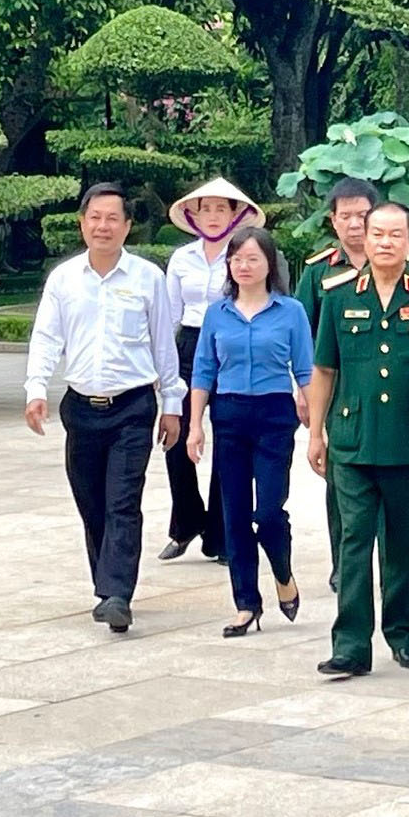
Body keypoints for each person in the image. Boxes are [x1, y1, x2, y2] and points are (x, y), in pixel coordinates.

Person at [306, 202, 409, 679]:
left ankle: (404, 633)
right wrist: (315, 432)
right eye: (377, 234)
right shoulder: (337, 295)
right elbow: (324, 368)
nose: (385, 242)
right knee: (354, 541)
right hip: (352, 441)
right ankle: (351, 644)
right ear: (364, 240)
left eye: (396, 234)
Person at [24, 182, 185, 634]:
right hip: (81, 407)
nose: (103, 226)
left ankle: (118, 595)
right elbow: (47, 338)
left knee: (123, 500)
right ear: (82, 222)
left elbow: (162, 344)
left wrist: (171, 402)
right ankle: (106, 583)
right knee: (91, 500)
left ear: (127, 226)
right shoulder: (64, 279)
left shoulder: (148, 278)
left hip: (133, 406)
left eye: (113, 218)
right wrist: (36, 388)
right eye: (95, 217)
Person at [185, 224, 311, 635]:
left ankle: (283, 572)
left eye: (252, 258)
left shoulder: (290, 311)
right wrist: (194, 426)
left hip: (275, 415)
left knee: (269, 512)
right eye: (236, 258)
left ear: (269, 264)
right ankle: (246, 603)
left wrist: (318, 423)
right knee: (235, 513)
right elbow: (204, 369)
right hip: (229, 414)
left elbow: (306, 370)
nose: (243, 266)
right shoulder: (217, 314)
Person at [162, 178, 262, 562]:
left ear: (236, 215)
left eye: (223, 208)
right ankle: (185, 522)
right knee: (178, 438)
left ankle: (222, 534)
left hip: (232, 346)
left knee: (230, 441)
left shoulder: (245, 257)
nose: (215, 216)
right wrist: (164, 365)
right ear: (194, 214)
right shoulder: (182, 259)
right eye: (207, 209)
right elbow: (169, 315)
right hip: (188, 344)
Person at [294, 177, 381, 593]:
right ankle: (344, 562)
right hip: (336, 390)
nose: (354, 224)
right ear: (333, 220)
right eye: (345, 216)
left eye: (362, 215)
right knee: (341, 478)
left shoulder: (396, 263)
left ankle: (386, 560)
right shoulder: (318, 272)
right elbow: (299, 334)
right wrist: (302, 390)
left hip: (387, 390)